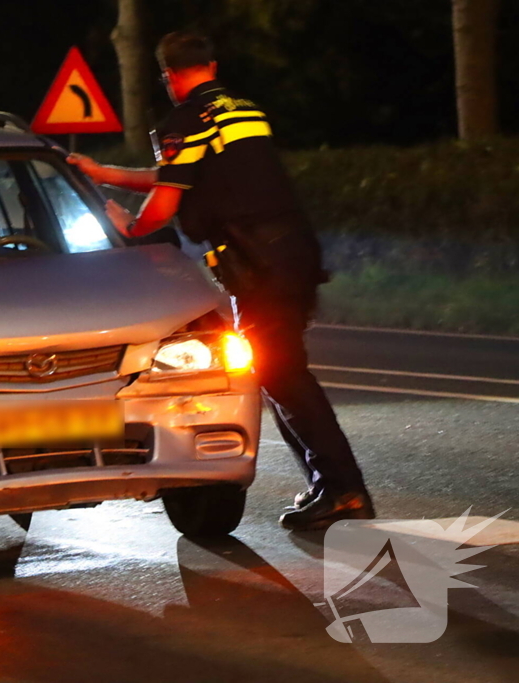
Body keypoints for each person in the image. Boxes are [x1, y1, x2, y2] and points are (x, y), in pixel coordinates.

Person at [68, 31, 374, 531]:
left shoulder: (184, 121)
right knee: (279, 374)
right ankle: (331, 487)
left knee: (284, 376)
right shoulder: (243, 110)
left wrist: (130, 226)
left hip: (257, 264)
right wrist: (106, 173)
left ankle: (343, 490)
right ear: (211, 64)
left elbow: (165, 201)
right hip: (293, 251)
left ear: (169, 76)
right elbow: (186, 173)